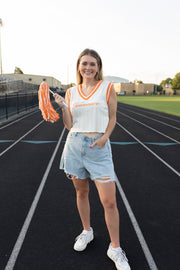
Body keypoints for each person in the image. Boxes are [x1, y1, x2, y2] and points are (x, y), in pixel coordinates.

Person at [53, 48, 131, 270]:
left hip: (99, 147)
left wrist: (106, 137)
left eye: (92, 64)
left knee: (109, 201)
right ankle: (87, 231)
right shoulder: (71, 92)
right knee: (81, 192)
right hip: (75, 145)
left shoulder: (107, 88)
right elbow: (69, 124)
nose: (88, 67)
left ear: (98, 67)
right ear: (79, 66)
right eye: (84, 63)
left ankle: (115, 248)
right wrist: (63, 108)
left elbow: (113, 116)